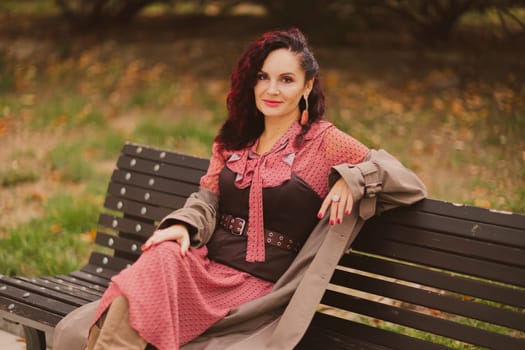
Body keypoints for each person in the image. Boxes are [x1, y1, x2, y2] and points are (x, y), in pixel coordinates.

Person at [53, 28, 427, 350]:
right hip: (205, 270)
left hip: (257, 290)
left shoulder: (323, 142)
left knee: (133, 300)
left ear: (307, 86)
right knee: (162, 255)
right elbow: (207, 200)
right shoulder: (234, 140)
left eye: (286, 79)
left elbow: (409, 183)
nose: (272, 90)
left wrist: (354, 178)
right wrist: (183, 226)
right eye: (263, 77)